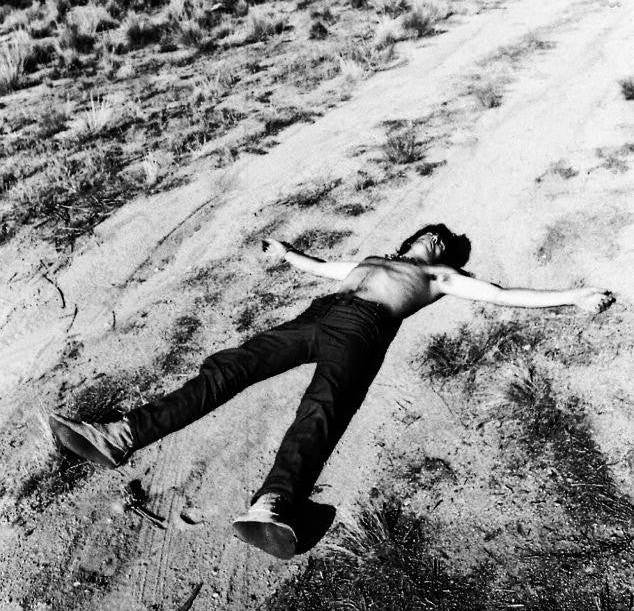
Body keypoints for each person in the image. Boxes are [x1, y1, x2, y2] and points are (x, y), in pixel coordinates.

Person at [49, 223, 614, 560]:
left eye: (445, 243)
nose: (437, 239)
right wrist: (287, 255)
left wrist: (573, 295)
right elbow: (324, 268)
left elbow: (504, 294)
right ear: (413, 236)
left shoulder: (441, 279)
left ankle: (274, 503)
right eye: (432, 232)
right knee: (226, 368)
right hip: (316, 316)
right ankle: (119, 435)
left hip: (361, 332)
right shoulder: (373, 259)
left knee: (320, 410)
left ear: (443, 258)